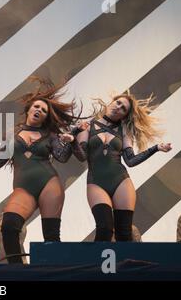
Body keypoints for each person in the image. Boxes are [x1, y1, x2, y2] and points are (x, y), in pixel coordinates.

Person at [0, 78, 80, 263]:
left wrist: (71, 142)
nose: (39, 110)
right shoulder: (11, 135)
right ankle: (18, 272)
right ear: (29, 109)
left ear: (46, 117)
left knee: (51, 236)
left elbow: (62, 157)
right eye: (37, 107)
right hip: (24, 189)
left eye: (44, 110)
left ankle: (54, 275)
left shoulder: (51, 136)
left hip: (49, 184)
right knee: (8, 227)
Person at [73, 92, 172, 241]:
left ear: (124, 116)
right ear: (111, 102)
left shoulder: (124, 131)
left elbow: (131, 161)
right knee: (104, 229)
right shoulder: (88, 126)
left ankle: (125, 265)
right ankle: (95, 265)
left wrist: (156, 148)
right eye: (117, 102)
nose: (118, 107)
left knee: (124, 232)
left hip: (121, 181)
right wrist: (73, 139)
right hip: (96, 182)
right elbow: (82, 156)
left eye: (123, 108)